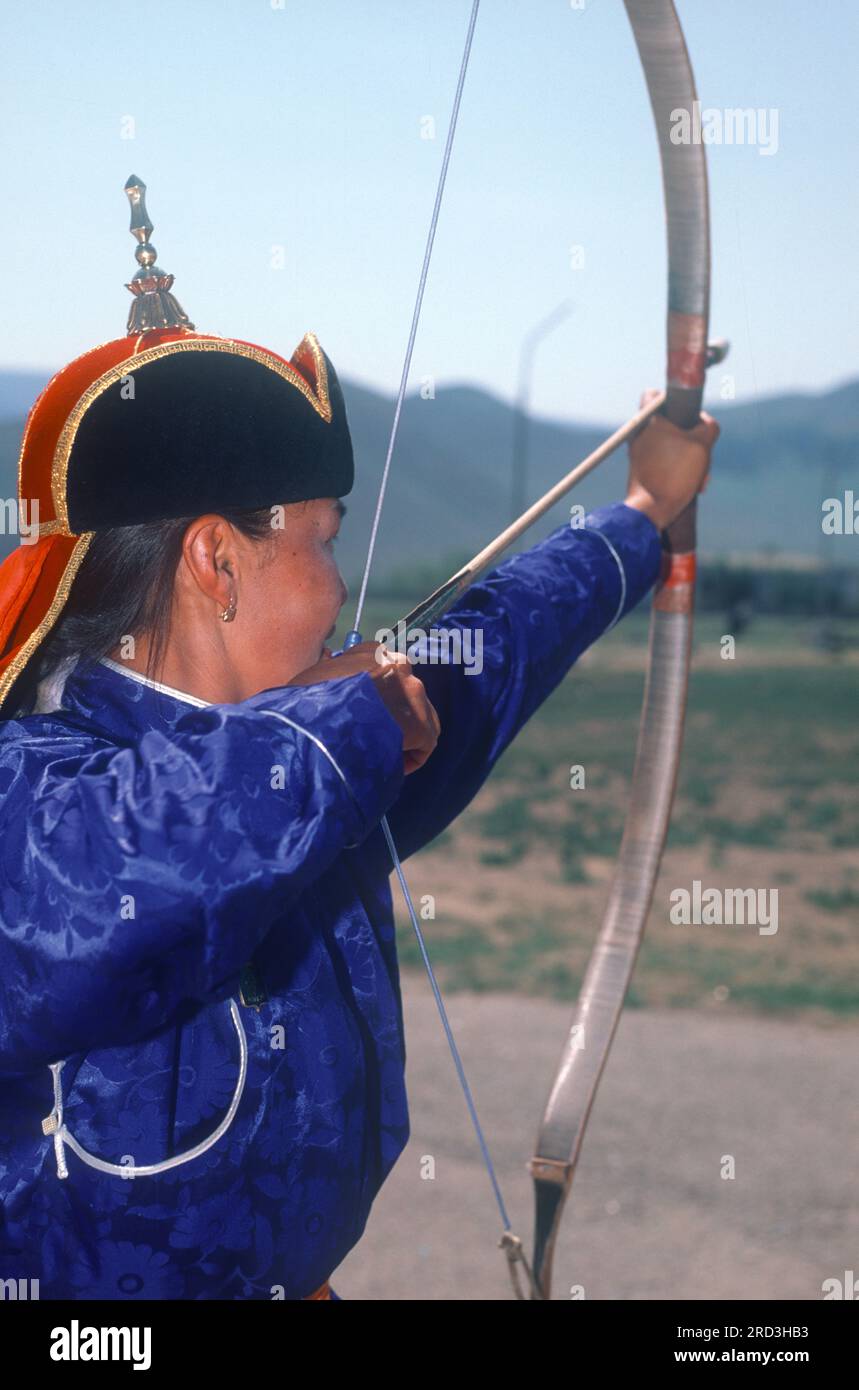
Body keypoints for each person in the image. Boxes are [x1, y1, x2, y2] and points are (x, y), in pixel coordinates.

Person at [0, 185, 719, 1301]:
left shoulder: (314, 751)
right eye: (321, 542)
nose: (343, 588)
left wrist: (637, 519)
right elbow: (123, 870)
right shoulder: (38, 779)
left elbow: (493, 643)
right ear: (214, 561)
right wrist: (349, 720)